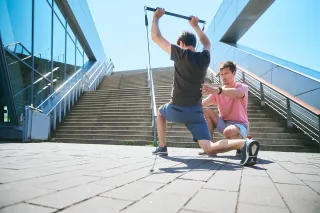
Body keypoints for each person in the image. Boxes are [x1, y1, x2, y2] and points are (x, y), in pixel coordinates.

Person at [150, 8, 259, 166]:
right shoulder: (204, 58)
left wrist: (156, 18)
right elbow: (207, 43)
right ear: (194, 44)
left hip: (177, 109)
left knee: (160, 112)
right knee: (209, 148)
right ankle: (243, 144)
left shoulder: (180, 53)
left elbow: (155, 36)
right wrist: (195, 26)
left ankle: (162, 147)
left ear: (181, 44)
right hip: (196, 112)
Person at [200, 61, 250, 156]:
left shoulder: (242, 87)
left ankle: (241, 141)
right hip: (224, 123)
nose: (223, 77)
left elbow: (237, 93)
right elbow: (202, 104)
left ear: (234, 73)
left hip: (241, 125)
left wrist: (218, 91)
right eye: (222, 74)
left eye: (226, 73)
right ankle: (209, 146)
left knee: (228, 132)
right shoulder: (217, 92)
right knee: (204, 111)